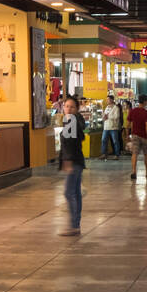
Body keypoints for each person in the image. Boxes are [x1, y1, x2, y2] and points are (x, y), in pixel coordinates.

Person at [58, 96, 84, 237]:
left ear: (77, 109)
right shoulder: (76, 120)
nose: (68, 108)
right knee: (76, 193)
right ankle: (76, 224)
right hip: (77, 160)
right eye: (66, 106)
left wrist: (67, 162)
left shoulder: (71, 121)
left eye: (71, 106)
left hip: (73, 162)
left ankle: (74, 225)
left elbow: (69, 144)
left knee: (69, 193)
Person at [127, 95, 147, 181]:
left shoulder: (133, 111)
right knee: (146, 154)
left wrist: (128, 134)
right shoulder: (146, 113)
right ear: (145, 102)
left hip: (135, 135)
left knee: (134, 153)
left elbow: (128, 124)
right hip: (144, 136)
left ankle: (134, 172)